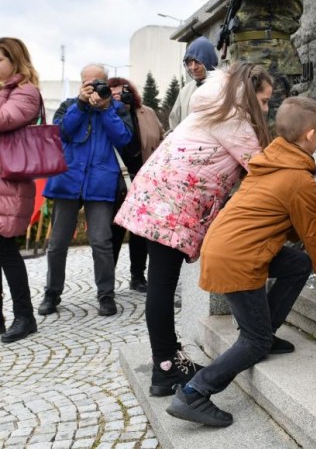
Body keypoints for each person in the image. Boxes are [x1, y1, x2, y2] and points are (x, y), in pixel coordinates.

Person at [165, 96, 316, 427]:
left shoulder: (273, 161)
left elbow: (275, 216)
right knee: (253, 342)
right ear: (311, 134)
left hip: (230, 248)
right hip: (239, 258)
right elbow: (314, 235)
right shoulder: (297, 177)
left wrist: (309, 247)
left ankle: (266, 331)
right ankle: (194, 393)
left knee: (297, 265)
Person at [114, 62, 274, 397]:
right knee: (161, 283)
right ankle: (165, 368)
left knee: (161, 281)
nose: (266, 109)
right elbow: (267, 170)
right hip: (171, 203)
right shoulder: (235, 120)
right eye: (264, 101)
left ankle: (171, 360)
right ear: (248, 94)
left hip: (159, 196)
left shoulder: (216, 108)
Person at [38, 64, 133, 317]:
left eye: (97, 83)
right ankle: (51, 293)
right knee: (57, 243)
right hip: (68, 181)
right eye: (87, 83)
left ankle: (106, 296)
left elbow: (124, 139)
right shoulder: (69, 105)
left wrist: (105, 110)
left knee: (101, 242)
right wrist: (80, 105)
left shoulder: (118, 109)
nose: (92, 88)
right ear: (81, 84)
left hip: (100, 183)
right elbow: (61, 134)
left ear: (105, 83)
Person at [0, 37, 41, 343]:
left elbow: (6, 119)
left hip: (9, 184)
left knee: (6, 250)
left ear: (15, 61)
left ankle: (24, 316)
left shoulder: (25, 91)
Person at [108, 77, 164, 292]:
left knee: (140, 232)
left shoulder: (146, 112)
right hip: (117, 179)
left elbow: (160, 138)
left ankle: (138, 276)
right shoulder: (107, 114)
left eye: (122, 93)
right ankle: (107, 281)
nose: (119, 98)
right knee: (114, 232)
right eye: (112, 95)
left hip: (143, 178)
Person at [168, 37, 218, 130]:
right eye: (189, 62)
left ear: (209, 61)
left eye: (198, 61)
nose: (193, 67)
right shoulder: (184, 92)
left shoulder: (224, 88)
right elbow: (174, 126)